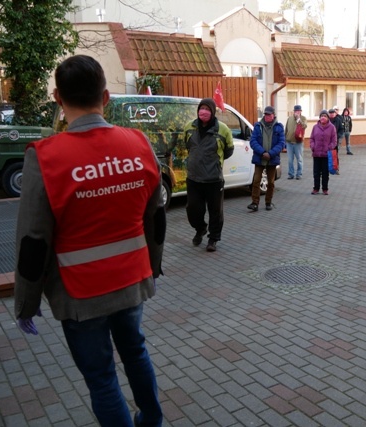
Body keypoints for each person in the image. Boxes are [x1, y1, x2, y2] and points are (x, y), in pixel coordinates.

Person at [13, 55, 166, 427]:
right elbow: (156, 215)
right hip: (131, 282)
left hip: (81, 294)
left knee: (101, 378)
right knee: (135, 352)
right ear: (107, 96)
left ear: (57, 97)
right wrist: (153, 267)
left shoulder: (46, 158)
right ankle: (151, 421)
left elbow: (34, 240)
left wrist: (26, 303)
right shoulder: (138, 144)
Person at [184, 98, 234, 252]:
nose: (203, 112)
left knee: (215, 212)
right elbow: (188, 147)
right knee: (192, 210)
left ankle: (213, 239)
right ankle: (200, 228)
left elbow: (228, 150)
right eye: (201, 108)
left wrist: (214, 163)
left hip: (213, 179)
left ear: (212, 112)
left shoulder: (223, 129)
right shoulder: (189, 127)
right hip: (194, 178)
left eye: (206, 109)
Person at [248, 106, 285, 211]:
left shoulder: (279, 127)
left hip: (272, 159)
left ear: (273, 115)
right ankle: (254, 203)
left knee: (271, 182)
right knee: (256, 181)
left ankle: (268, 202)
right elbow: (253, 141)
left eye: (269, 114)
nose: (267, 116)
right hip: (260, 158)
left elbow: (281, 143)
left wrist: (271, 153)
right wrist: (263, 152)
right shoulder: (257, 126)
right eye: (265, 114)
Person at [309, 109, 337, 195]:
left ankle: (325, 188)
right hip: (316, 154)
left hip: (326, 154)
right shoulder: (315, 127)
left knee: (325, 173)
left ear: (328, 118)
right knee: (316, 172)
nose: (323, 118)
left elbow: (334, 141)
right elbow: (311, 139)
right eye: (321, 116)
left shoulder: (332, 127)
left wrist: (329, 148)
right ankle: (316, 188)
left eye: (325, 116)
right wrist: (313, 146)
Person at [284, 105, 307, 180]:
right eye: (295, 111)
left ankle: (299, 174)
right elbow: (286, 129)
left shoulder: (303, 118)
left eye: (298, 111)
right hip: (289, 142)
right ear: (293, 111)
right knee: (290, 160)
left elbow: (304, 126)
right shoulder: (289, 118)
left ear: (300, 111)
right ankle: (291, 174)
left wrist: (298, 119)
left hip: (298, 142)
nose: (297, 112)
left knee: (299, 159)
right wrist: (284, 139)